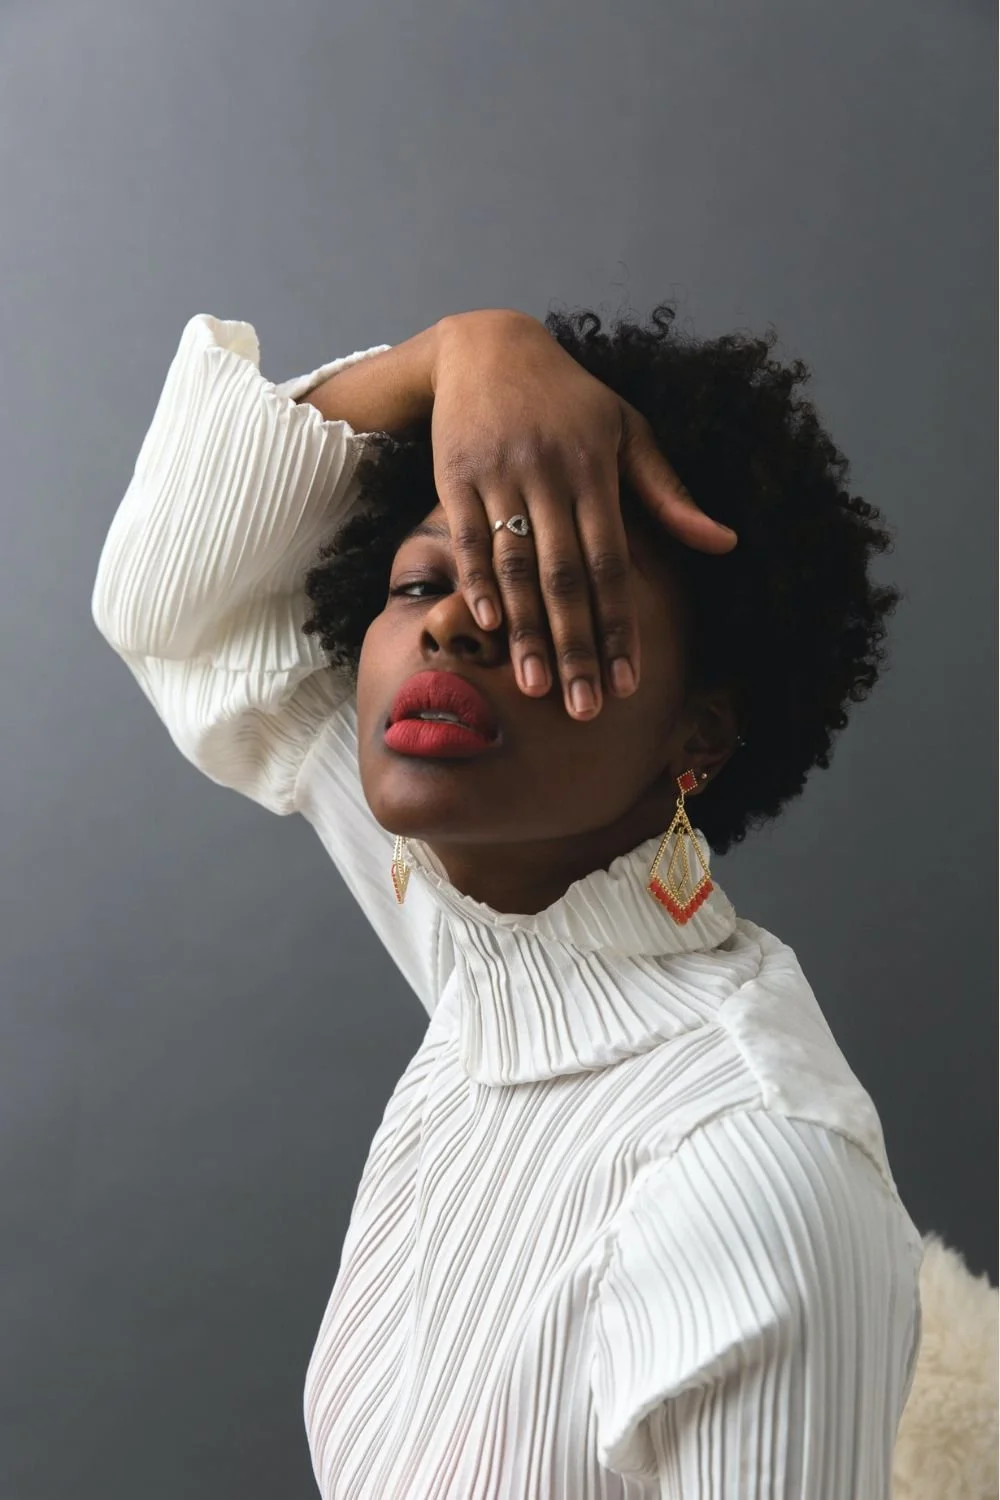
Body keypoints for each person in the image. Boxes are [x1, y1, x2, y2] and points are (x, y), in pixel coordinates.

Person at [91, 302, 924, 1499]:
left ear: (701, 726)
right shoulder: (481, 935)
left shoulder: (748, 1171)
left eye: (551, 591)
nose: (450, 621)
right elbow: (178, 617)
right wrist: (458, 358)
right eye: (422, 576)